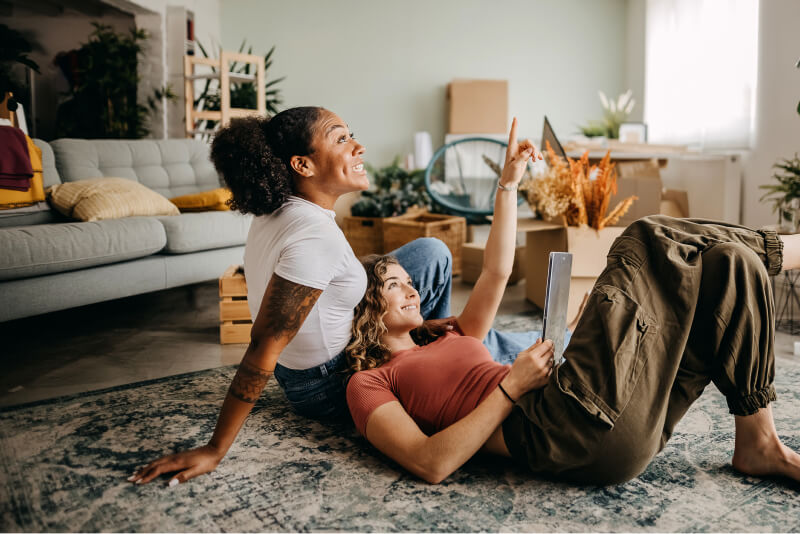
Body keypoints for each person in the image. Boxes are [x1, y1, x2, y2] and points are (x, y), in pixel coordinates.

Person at [345, 119, 800, 486]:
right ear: (365, 307)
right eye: (393, 285)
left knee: (729, 263)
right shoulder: (368, 384)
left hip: (606, 413)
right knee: (643, 235)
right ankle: (791, 249)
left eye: (409, 281)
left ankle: (759, 443)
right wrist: (512, 386)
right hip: (559, 430)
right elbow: (430, 463)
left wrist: (508, 183)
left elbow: (496, 271)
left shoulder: (450, 333)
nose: (412, 290)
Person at [129, 107, 537, 486]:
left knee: (430, 254)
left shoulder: (282, 206)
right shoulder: (313, 237)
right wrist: (215, 449)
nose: (358, 146)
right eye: (340, 139)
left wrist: (418, 325)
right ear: (302, 165)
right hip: (323, 382)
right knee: (489, 342)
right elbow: (263, 348)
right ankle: (442, 368)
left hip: (321, 353)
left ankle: (429, 350)